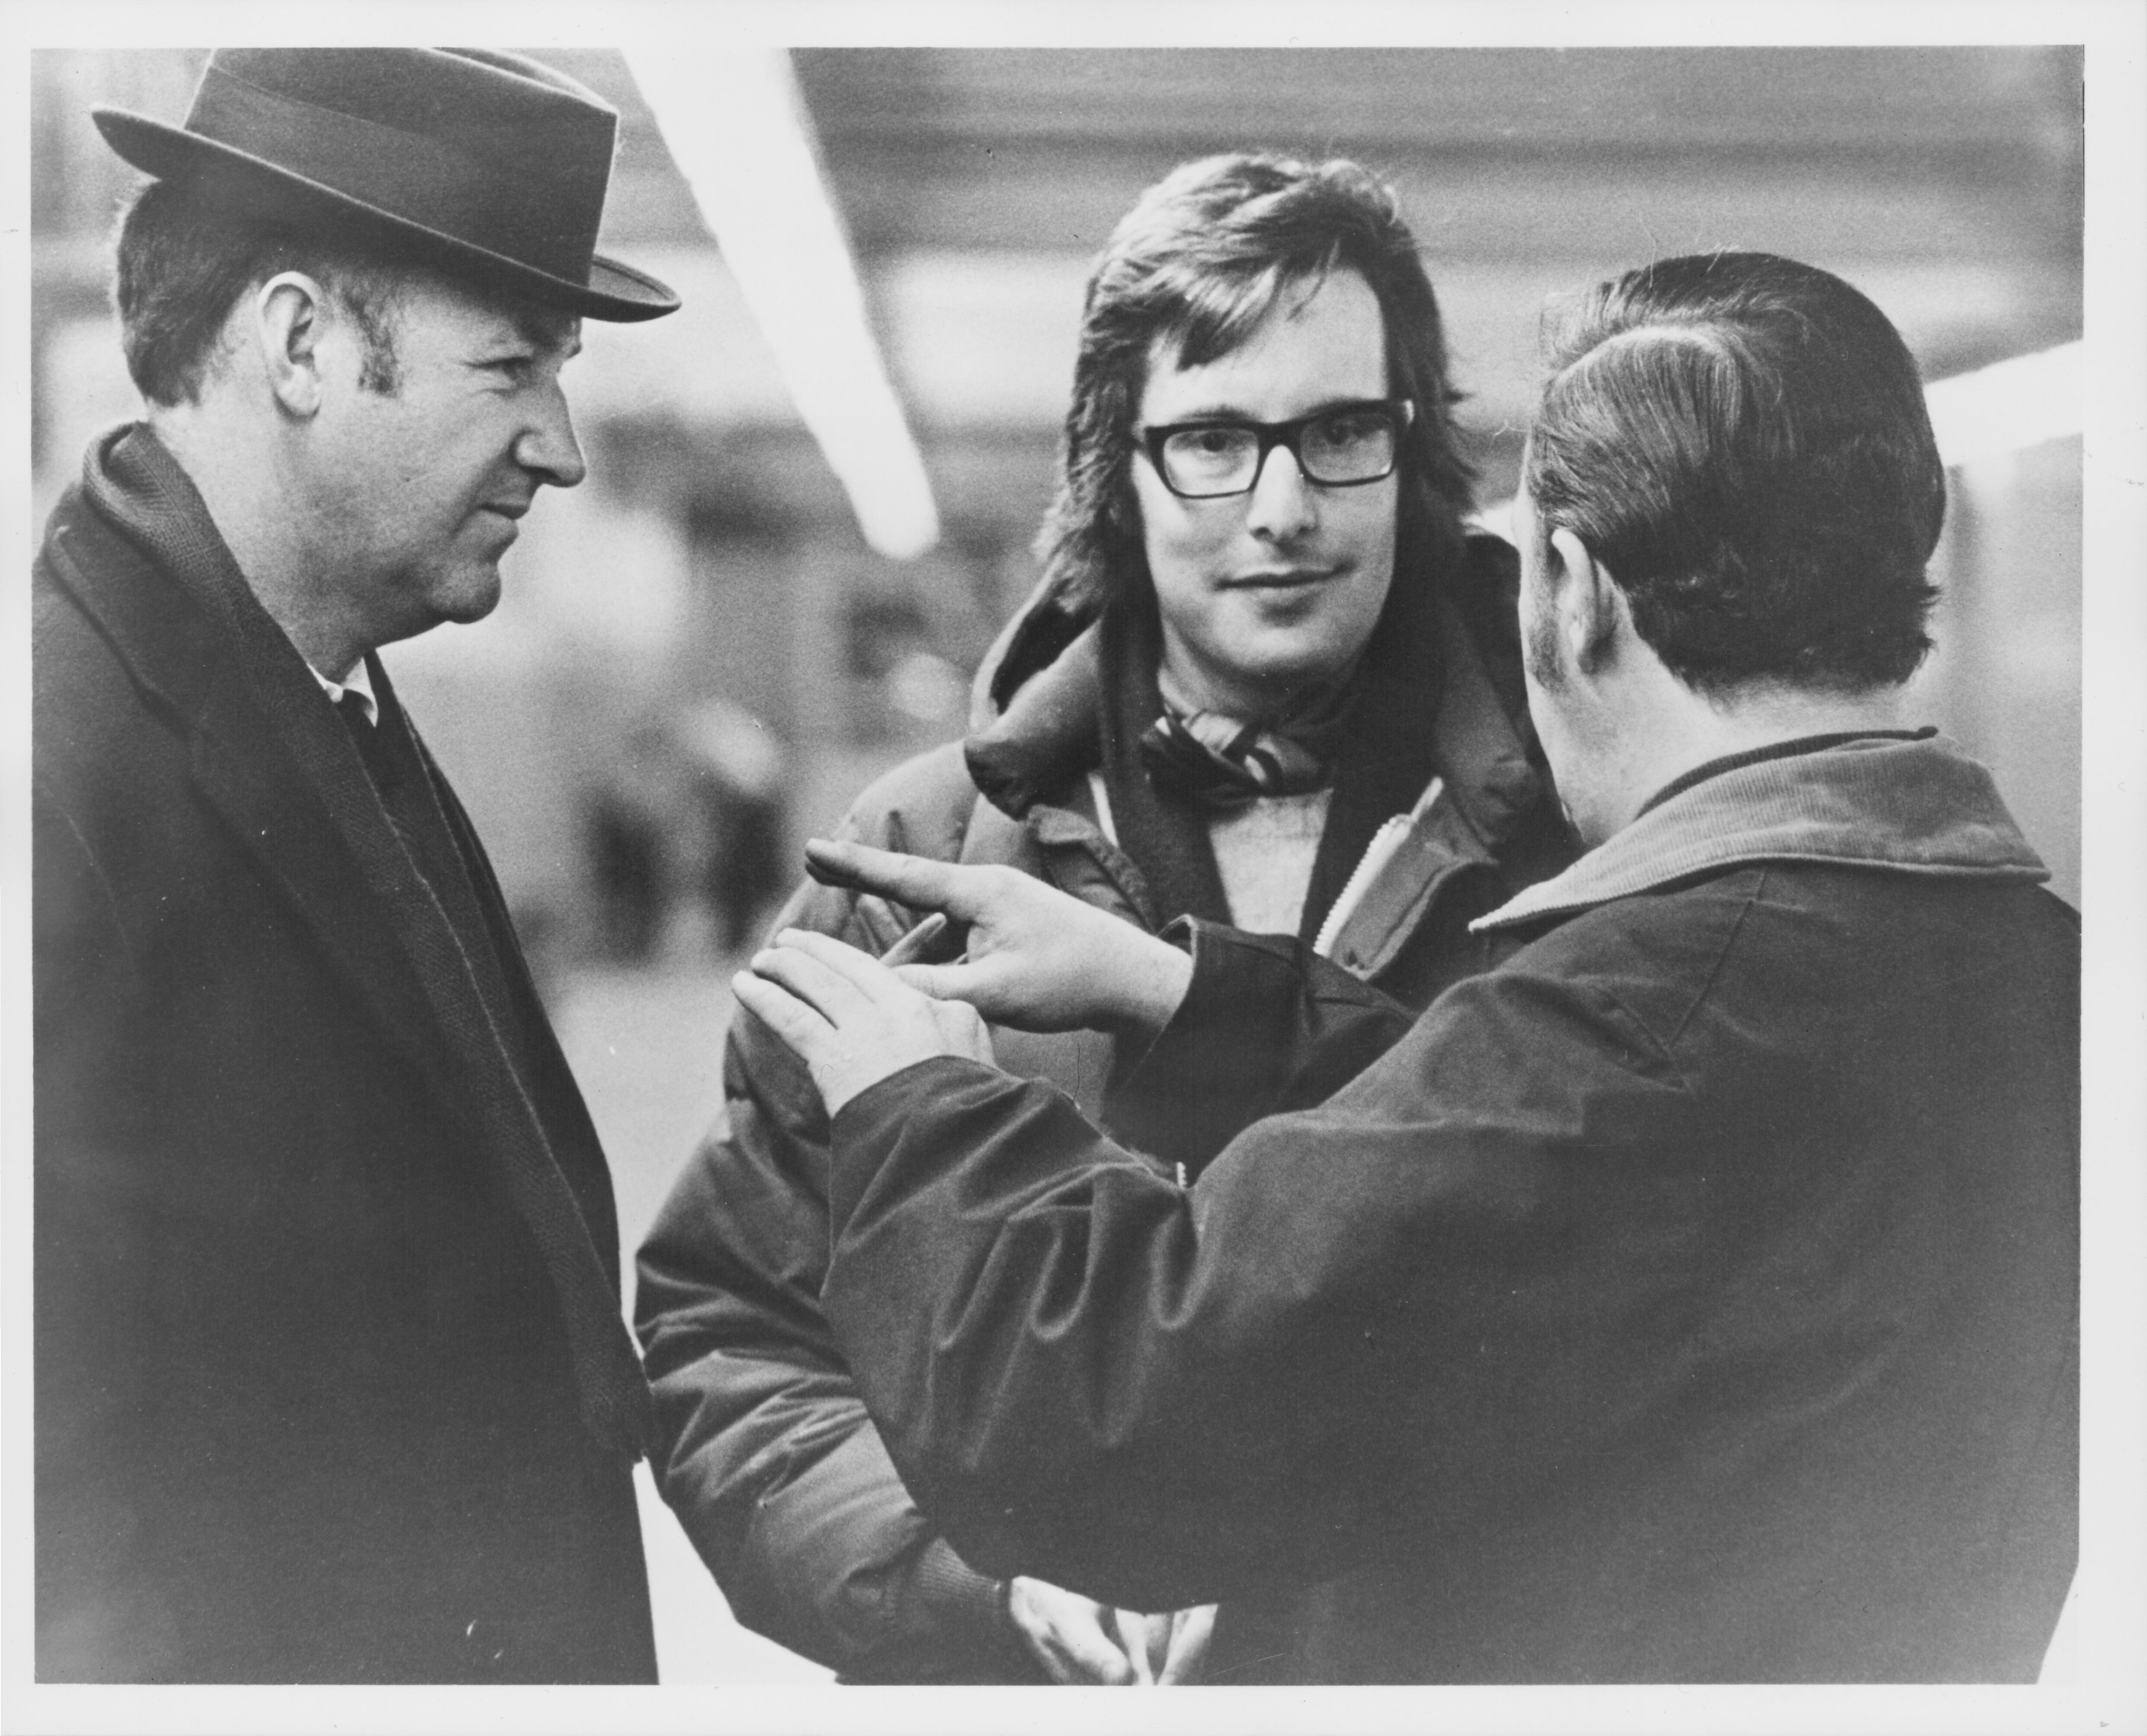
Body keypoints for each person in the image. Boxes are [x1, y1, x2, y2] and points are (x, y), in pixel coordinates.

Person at [735, 253, 2080, 1683]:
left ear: (1566, 586)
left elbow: (1108, 1421)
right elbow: (1560, 1191)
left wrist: (917, 1102)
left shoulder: (1638, 1007)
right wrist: (1186, 997)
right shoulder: (2044, 975)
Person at [634, 152, 1573, 1683]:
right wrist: (971, 1581)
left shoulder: (1568, 839)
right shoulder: (923, 854)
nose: (1280, 510)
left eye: (1338, 432)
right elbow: (732, 1331)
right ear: (1112, 475)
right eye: (1209, 439)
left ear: (1409, 449)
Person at [33, 49, 679, 1681]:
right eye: (512, 368)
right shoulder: (51, 778)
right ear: (304, 343)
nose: (562, 447)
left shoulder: (328, 696)